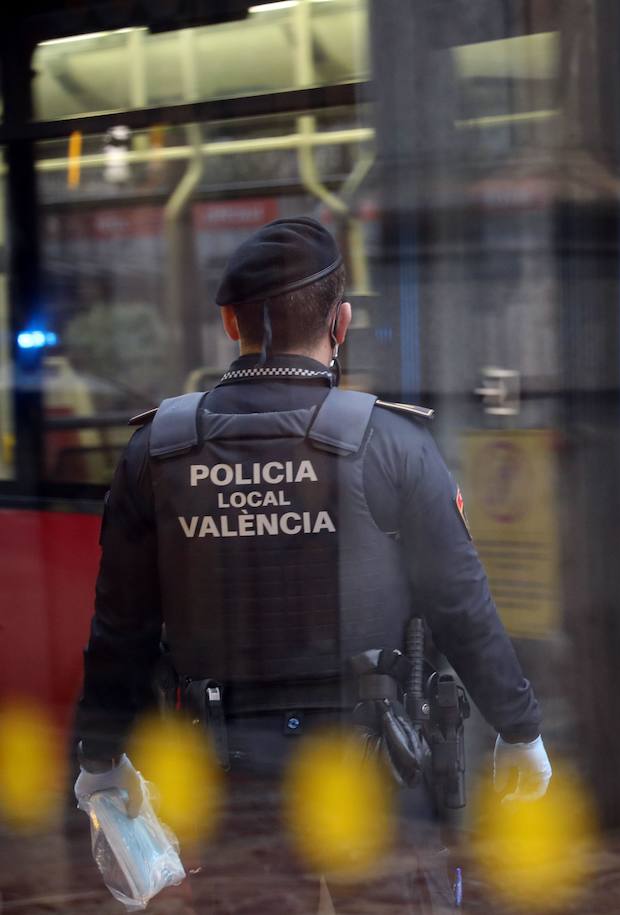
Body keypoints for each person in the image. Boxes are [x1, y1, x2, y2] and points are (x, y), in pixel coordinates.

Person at [71, 216, 552, 911]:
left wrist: (100, 754)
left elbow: (121, 626)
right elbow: (460, 604)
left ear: (229, 321)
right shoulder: (392, 443)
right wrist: (520, 727)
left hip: (226, 772)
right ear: (342, 321)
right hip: (380, 767)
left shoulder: (156, 452)